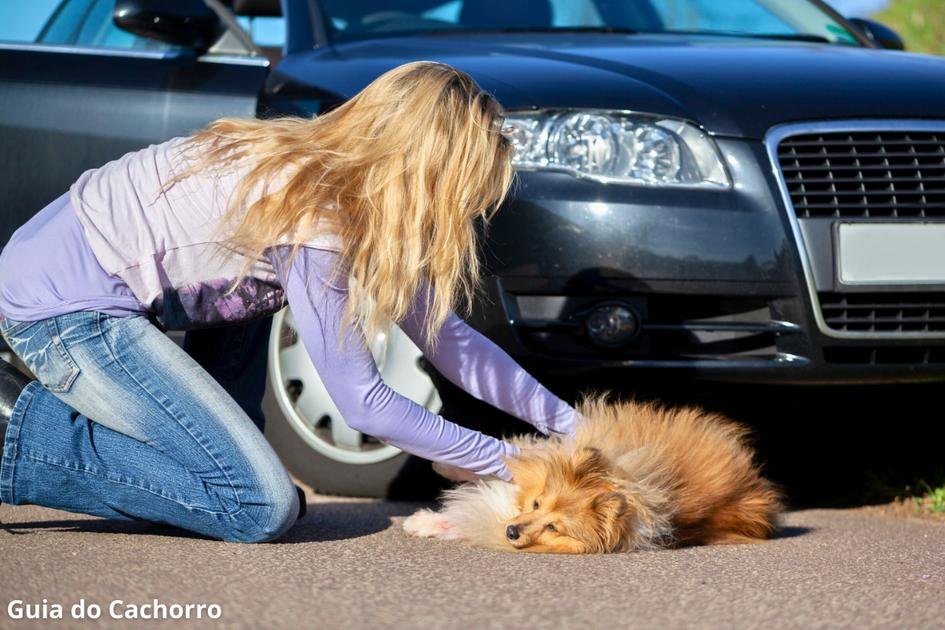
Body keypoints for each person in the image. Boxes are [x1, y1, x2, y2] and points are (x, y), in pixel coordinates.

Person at [0, 61, 578, 543]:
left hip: (80, 283)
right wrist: (513, 464)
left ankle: (217, 465)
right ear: (421, 170)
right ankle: (12, 433)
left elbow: (447, 339)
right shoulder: (316, 215)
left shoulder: (333, 176)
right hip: (63, 311)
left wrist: (573, 427)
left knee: (237, 481)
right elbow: (366, 405)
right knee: (257, 505)